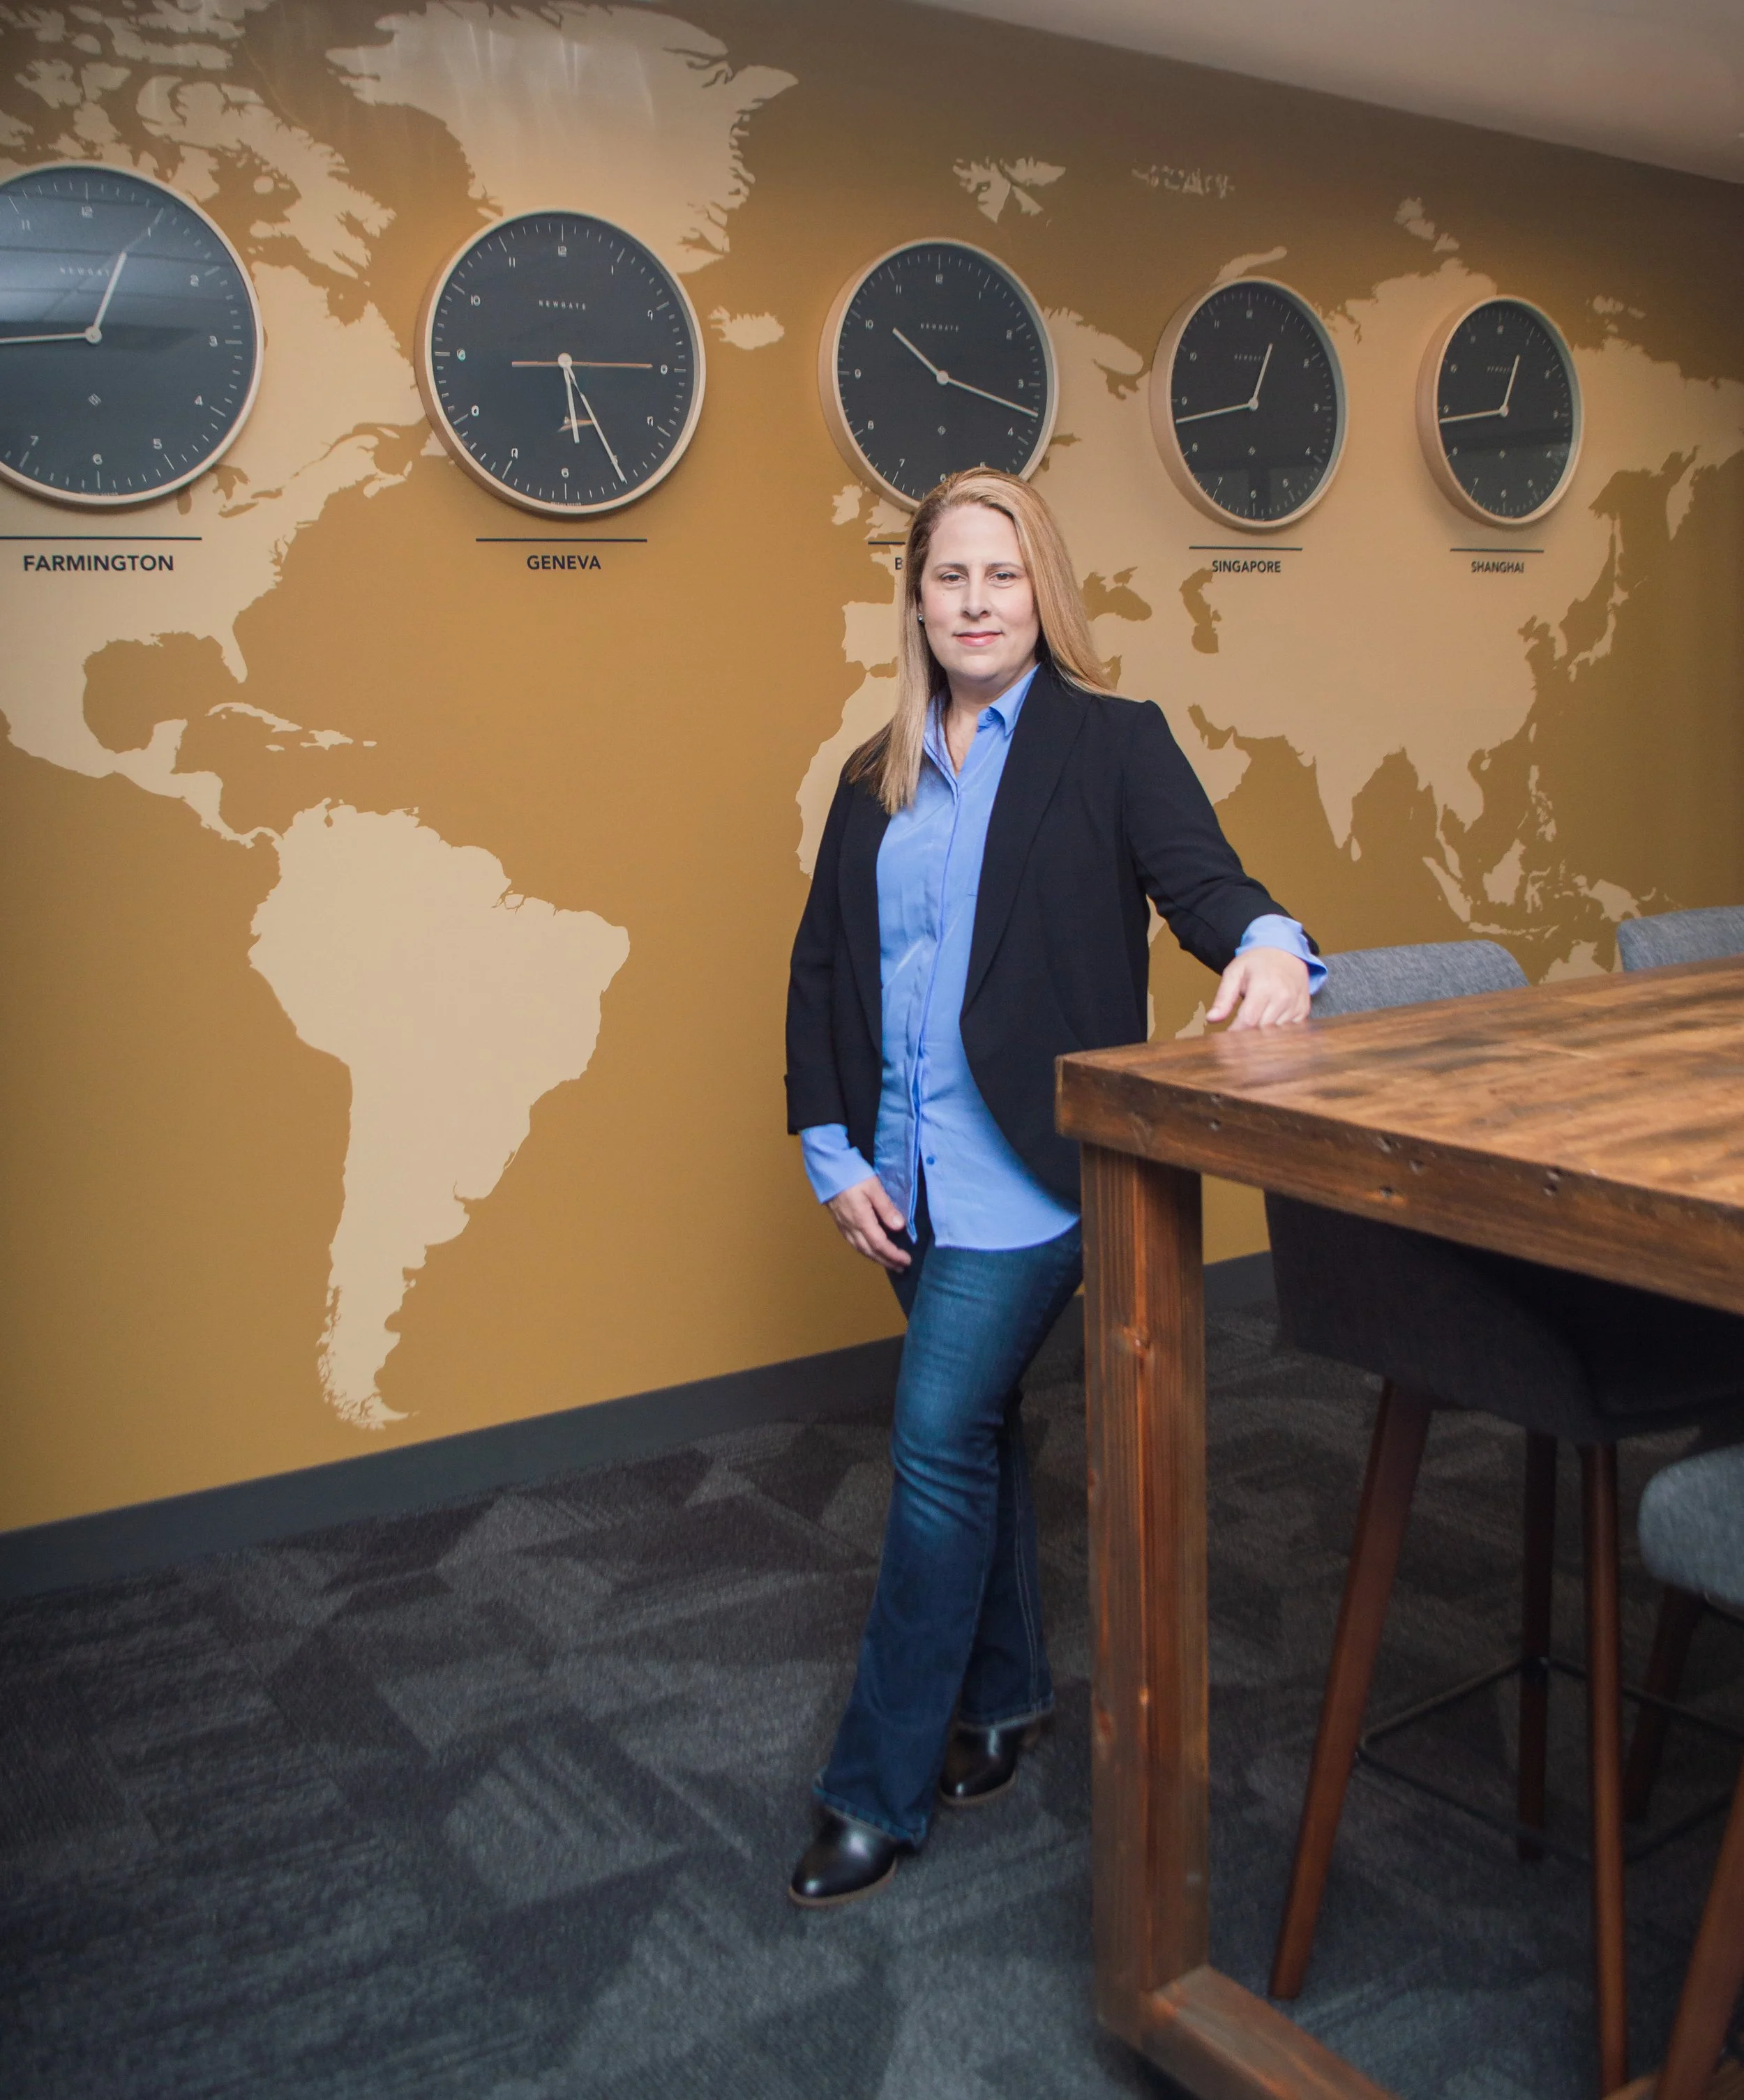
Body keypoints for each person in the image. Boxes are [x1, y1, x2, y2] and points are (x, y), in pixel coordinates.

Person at [783, 468, 1320, 1908]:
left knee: (933, 1437)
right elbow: (822, 967)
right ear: (916, 596)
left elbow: (1209, 887)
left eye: (1000, 575)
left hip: (1027, 1174)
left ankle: (872, 1786)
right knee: (986, 1435)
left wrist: (1270, 946)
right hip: (899, 1179)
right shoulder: (872, 770)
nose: (973, 601)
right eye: (948, 576)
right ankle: (1007, 1700)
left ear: (1043, 591)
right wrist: (830, 1150)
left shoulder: (1108, 741)